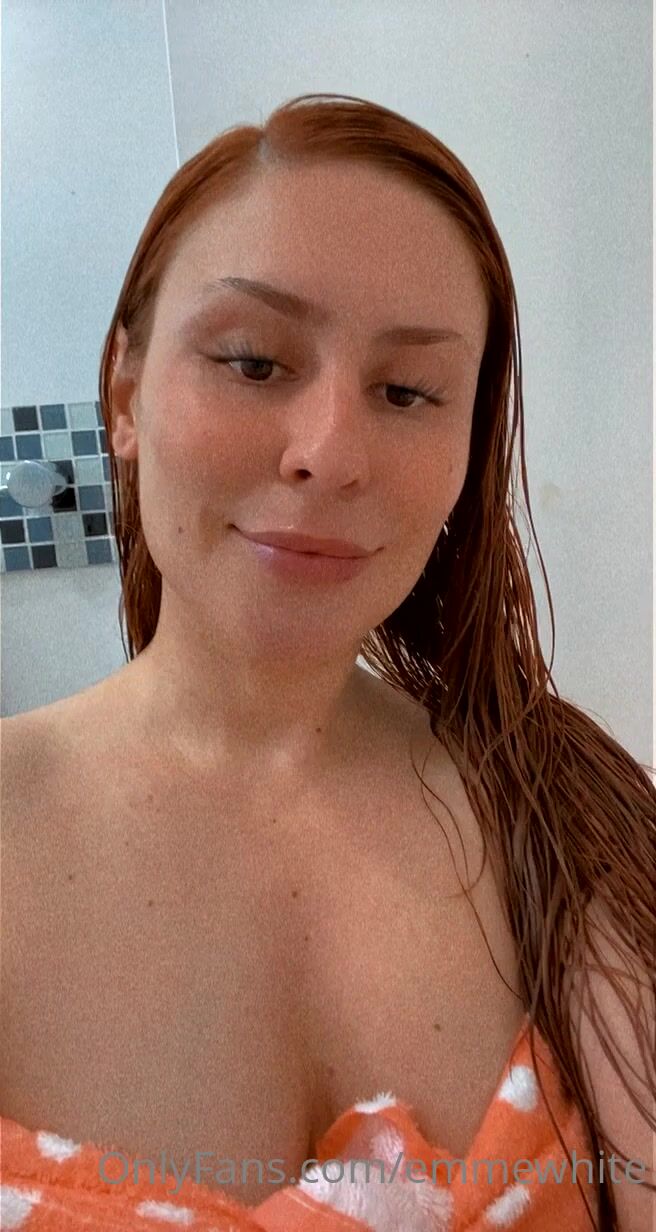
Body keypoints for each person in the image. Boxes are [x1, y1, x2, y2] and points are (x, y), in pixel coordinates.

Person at [1, 92, 654, 1232]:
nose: (329, 451)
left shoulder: (564, 813)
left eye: (406, 392)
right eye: (254, 362)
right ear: (125, 391)